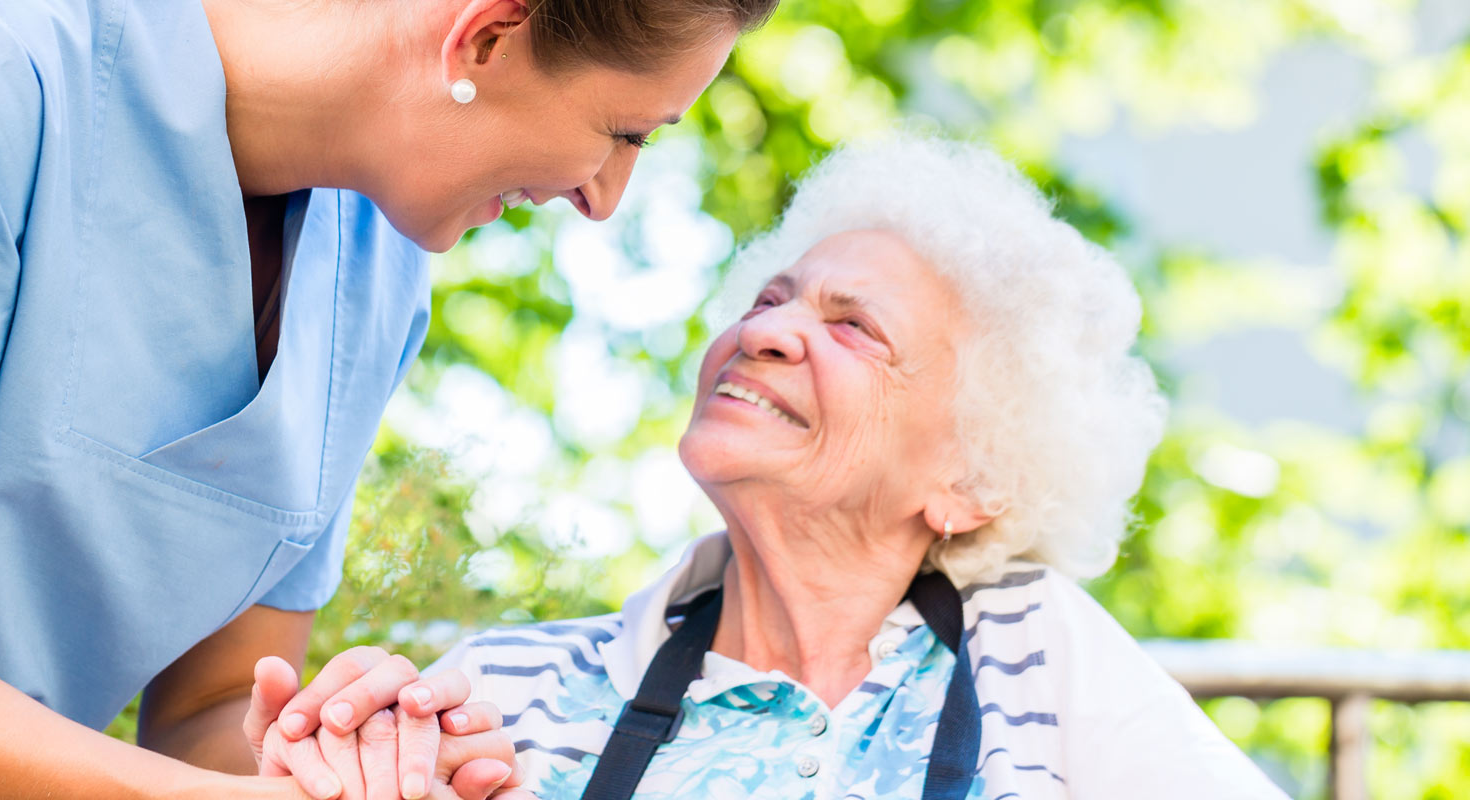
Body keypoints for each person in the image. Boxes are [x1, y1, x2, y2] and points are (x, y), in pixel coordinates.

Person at [0, 0, 779, 797]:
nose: (607, 195)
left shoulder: (376, 262)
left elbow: (198, 713)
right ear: (484, 38)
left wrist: (342, 767)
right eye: (624, 132)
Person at [418, 136, 1291, 799]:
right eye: (770, 298)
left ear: (971, 480)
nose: (763, 332)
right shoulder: (507, 693)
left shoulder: (1030, 648)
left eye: (854, 328)